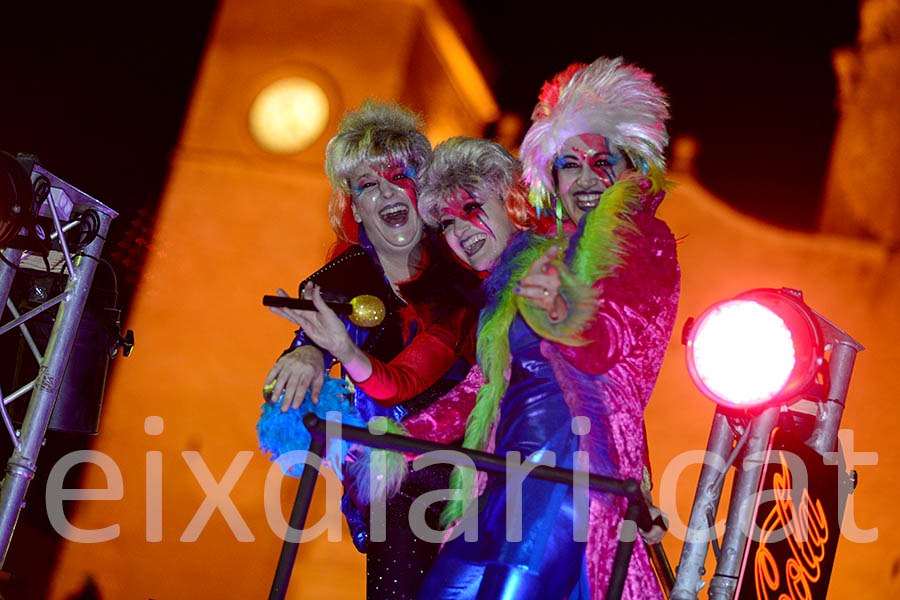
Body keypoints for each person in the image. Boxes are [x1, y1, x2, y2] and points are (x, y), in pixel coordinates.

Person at [416, 56, 678, 600]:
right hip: (501, 482)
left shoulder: (640, 238)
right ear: (549, 177)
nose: (584, 179)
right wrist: (385, 428)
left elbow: (613, 335)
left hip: (567, 477)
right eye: (568, 165)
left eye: (599, 162)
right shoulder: (532, 260)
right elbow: (477, 390)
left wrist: (564, 311)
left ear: (630, 165)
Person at [263, 100, 477, 600]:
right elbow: (307, 338)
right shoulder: (343, 276)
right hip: (397, 478)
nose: (384, 192)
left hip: (476, 472)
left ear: (420, 188)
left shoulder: (463, 267)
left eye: (397, 175)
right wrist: (309, 353)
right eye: (367, 185)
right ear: (355, 207)